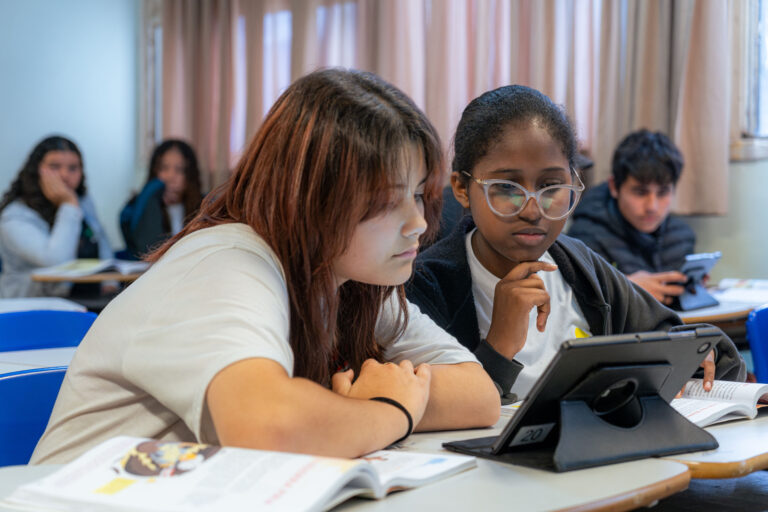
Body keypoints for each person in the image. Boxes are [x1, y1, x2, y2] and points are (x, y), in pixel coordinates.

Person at [31, 69, 500, 464]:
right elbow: (270, 427)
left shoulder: (353, 281)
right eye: (384, 201)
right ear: (309, 196)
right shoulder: (226, 263)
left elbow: (480, 395)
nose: (418, 222)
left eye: (418, 193)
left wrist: (341, 411)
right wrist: (389, 407)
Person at [406, 85, 744, 402]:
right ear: (462, 189)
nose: (533, 210)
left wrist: (700, 352)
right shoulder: (423, 286)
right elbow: (436, 414)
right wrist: (499, 345)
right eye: (507, 189)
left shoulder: (577, 264)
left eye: (552, 188)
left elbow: (677, 337)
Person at [567, 129, 695, 304]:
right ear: (614, 187)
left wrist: (692, 287)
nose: (652, 207)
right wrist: (624, 288)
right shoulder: (585, 236)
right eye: (640, 192)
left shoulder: (682, 236)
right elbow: (574, 300)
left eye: (663, 192)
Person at [0, 136, 113, 298]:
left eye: (73, 168)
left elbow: (101, 241)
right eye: (54, 167)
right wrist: (68, 204)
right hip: (32, 307)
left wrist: (110, 283)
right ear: (36, 170)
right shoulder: (14, 216)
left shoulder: (83, 202)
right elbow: (57, 262)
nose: (64, 175)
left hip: (86, 299)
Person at [120, 139, 203, 259]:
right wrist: (152, 197)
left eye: (179, 169)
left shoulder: (204, 206)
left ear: (190, 175)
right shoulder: (138, 205)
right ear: (154, 171)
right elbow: (147, 249)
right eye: (164, 168)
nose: (170, 176)